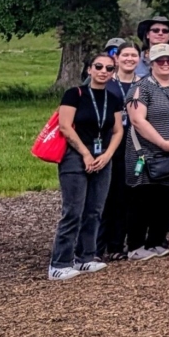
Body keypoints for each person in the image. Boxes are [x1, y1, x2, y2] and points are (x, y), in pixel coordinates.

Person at [49, 53, 126, 280]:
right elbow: (65, 126)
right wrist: (84, 153)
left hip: (102, 157)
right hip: (75, 156)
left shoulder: (113, 98)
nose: (103, 71)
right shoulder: (75, 94)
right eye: (99, 66)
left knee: (94, 210)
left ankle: (86, 257)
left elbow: (118, 130)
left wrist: (107, 154)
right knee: (73, 210)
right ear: (89, 69)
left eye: (109, 68)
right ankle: (59, 262)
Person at [123, 44, 169, 260]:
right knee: (141, 198)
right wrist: (162, 143)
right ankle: (136, 245)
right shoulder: (141, 88)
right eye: (160, 61)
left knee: (165, 198)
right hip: (144, 152)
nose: (165, 64)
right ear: (151, 64)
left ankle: (156, 240)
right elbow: (137, 120)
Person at [98, 42, 140, 260]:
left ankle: (116, 244)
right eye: (125, 55)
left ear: (139, 59)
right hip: (106, 146)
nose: (129, 59)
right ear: (117, 58)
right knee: (103, 196)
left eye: (134, 55)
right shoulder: (106, 82)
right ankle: (96, 246)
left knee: (125, 197)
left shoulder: (143, 85)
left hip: (133, 147)